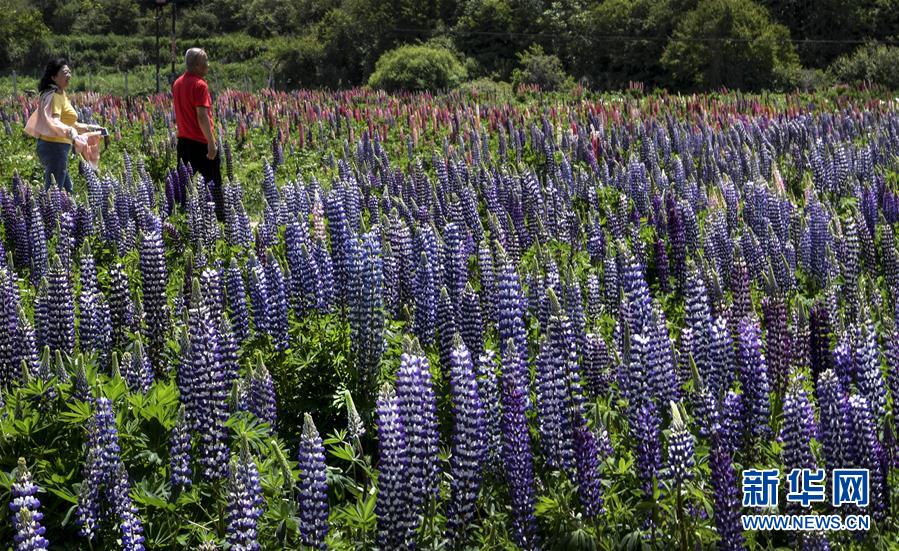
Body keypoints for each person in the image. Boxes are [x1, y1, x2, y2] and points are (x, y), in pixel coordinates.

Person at [24, 59, 102, 192]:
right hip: (55, 148)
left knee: (67, 190)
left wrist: (88, 127)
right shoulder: (54, 96)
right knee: (54, 192)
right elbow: (54, 121)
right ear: (54, 77)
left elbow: (68, 122)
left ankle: (67, 212)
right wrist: (70, 131)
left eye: (69, 72)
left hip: (57, 147)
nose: (69, 75)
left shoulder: (60, 94)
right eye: (65, 72)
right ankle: (48, 212)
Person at [172, 47, 224, 220]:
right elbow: (202, 116)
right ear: (196, 64)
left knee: (183, 186)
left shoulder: (178, 83)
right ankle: (219, 223)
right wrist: (211, 142)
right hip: (200, 142)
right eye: (205, 62)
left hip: (183, 141)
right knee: (214, 185)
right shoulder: (200, 85)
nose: (208, 66)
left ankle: (181, 218)